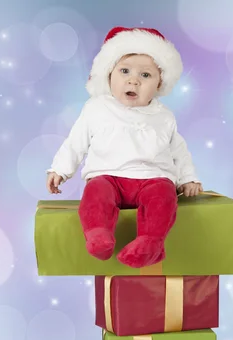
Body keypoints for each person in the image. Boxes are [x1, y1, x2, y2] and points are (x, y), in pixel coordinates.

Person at [46, 27, 203, 268]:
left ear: (160, 84)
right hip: (108, 177)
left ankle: (150, 243)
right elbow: (76, 141)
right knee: (95, 193)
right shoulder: (96, 109)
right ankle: (98, 234)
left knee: (164, 198)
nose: (133, 80)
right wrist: (60, 170)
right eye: (125, 71)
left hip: (153, 179)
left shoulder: (164, 116)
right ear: (108, 75)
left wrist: (188, 179)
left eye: (146, 75)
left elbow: (178, 151)